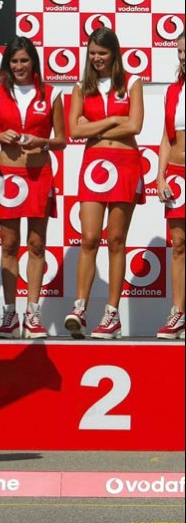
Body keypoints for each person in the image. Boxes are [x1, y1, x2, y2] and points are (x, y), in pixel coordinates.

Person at [0, 37, 66, 339]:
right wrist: (0, 135)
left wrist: (42, 141)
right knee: (8, 245)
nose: (19, 66)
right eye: (14, 61)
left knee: (36, 244)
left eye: (24, 61)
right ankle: (9, 315)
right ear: (8, 64)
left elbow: (62, 140)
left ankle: (33, 313)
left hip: (39, 174)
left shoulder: (51, 93)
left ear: (33, 63)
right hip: (7, 175)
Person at [64, 27, 144, 340]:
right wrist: (115, 122)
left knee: (116, 240)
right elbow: (73, 129)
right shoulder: (81, 87)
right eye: (93, 53)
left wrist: (96, 127)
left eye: (103, 53)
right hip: (94, 166)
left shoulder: (132, 82)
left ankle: (112, 315)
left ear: (114, 53)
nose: (97, 59)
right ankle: (80, 309)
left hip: (125, 165)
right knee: (88, 238)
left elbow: (135, 125)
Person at [155, 31, 185, 340]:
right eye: (179, 52)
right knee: (178, 246)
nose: (183, 56)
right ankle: (178, 313)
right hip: (177, 173)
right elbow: (166, 137)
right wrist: (161, 174)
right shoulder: (172, 91)